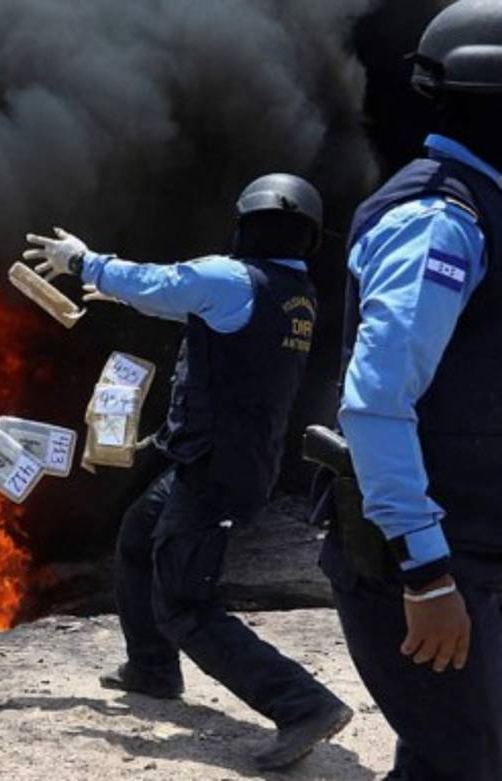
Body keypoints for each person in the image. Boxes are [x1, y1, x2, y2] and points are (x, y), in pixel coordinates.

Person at [25, 173, 352, 771]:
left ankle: (303, 704)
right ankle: (151, 669)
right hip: (218, 459)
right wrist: (122, 294)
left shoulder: (232, 278)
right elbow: (202, 311)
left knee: (185, 604)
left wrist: (84, 262)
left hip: (216, 471)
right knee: (137, 538)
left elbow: (171, 284)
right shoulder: (293, 291)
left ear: (246, 222)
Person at [318, 2, 502, 778]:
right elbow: (376, 404)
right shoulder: (437, 220)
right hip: (432, 563)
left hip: (475, 549)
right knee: (468, 761)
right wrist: (427, 574)